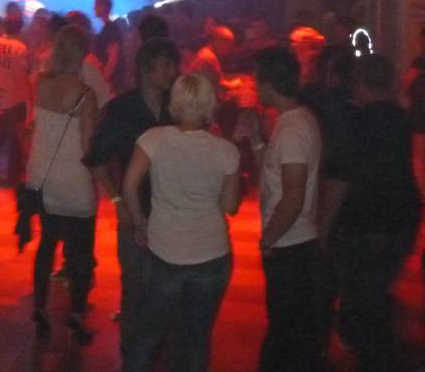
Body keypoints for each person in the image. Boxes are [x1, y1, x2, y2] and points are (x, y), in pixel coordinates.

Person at [122, 74, 241, 372]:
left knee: (145, 337)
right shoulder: (226, 150)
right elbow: (230, 206)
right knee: (196, 339)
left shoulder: (153, 139)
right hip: (211, 254)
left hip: (166, 252)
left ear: (174, 103)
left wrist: (140, 223)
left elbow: (128, 187)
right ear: (209, 105)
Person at [322, 55, 421, 372]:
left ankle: (374, 355)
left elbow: (339, 178)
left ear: (360, 83)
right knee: (375, 291)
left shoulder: (353, 122)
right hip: (401, 219)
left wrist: (323, 228)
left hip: (363, 221)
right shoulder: (401, 118)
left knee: (360, 298)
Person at [86, 38, 179, 358]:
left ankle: (158, 352)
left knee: (168, 287)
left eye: (173, 64)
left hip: (173, 211)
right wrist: (117, 203)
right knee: (135, 287)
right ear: (144, 69)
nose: (172, 71)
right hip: (137, 208)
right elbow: (96, 160)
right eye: (165, 65)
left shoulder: (178, 108)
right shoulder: (122, 109)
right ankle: (133, 357)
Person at [26, 25, 99, 345]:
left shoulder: (41, 84)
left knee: (46, 244)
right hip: (73, 178)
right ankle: (76, 315)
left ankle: (40, 307)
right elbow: (88, 146)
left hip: (42, 175)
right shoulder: (85, 93)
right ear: (81, 53)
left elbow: (34, 127)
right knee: (81, 251)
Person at [251, 47, 322, 372]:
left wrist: (268, 239)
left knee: (286, 333)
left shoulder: (293, 130)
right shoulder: (292, 121)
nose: (254, 85)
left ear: (268, 83)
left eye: (256, 79)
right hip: (294, 242)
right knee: (291, 328)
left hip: (290, 244)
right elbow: (273, 176)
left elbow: (293, 198)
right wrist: (255, 138)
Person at [0, 12, 31, 186]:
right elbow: (23, 73)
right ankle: (13, 176)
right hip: (14, 98)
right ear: (20, 28)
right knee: (15, 138)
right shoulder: (20, 48)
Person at [94, 0, 124, 93]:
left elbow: (113, 57)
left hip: (114, 80)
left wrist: (105, 79)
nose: (94, 8)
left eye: (96, 5)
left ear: (103, 7)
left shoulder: (110, 28)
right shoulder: (108, 28)